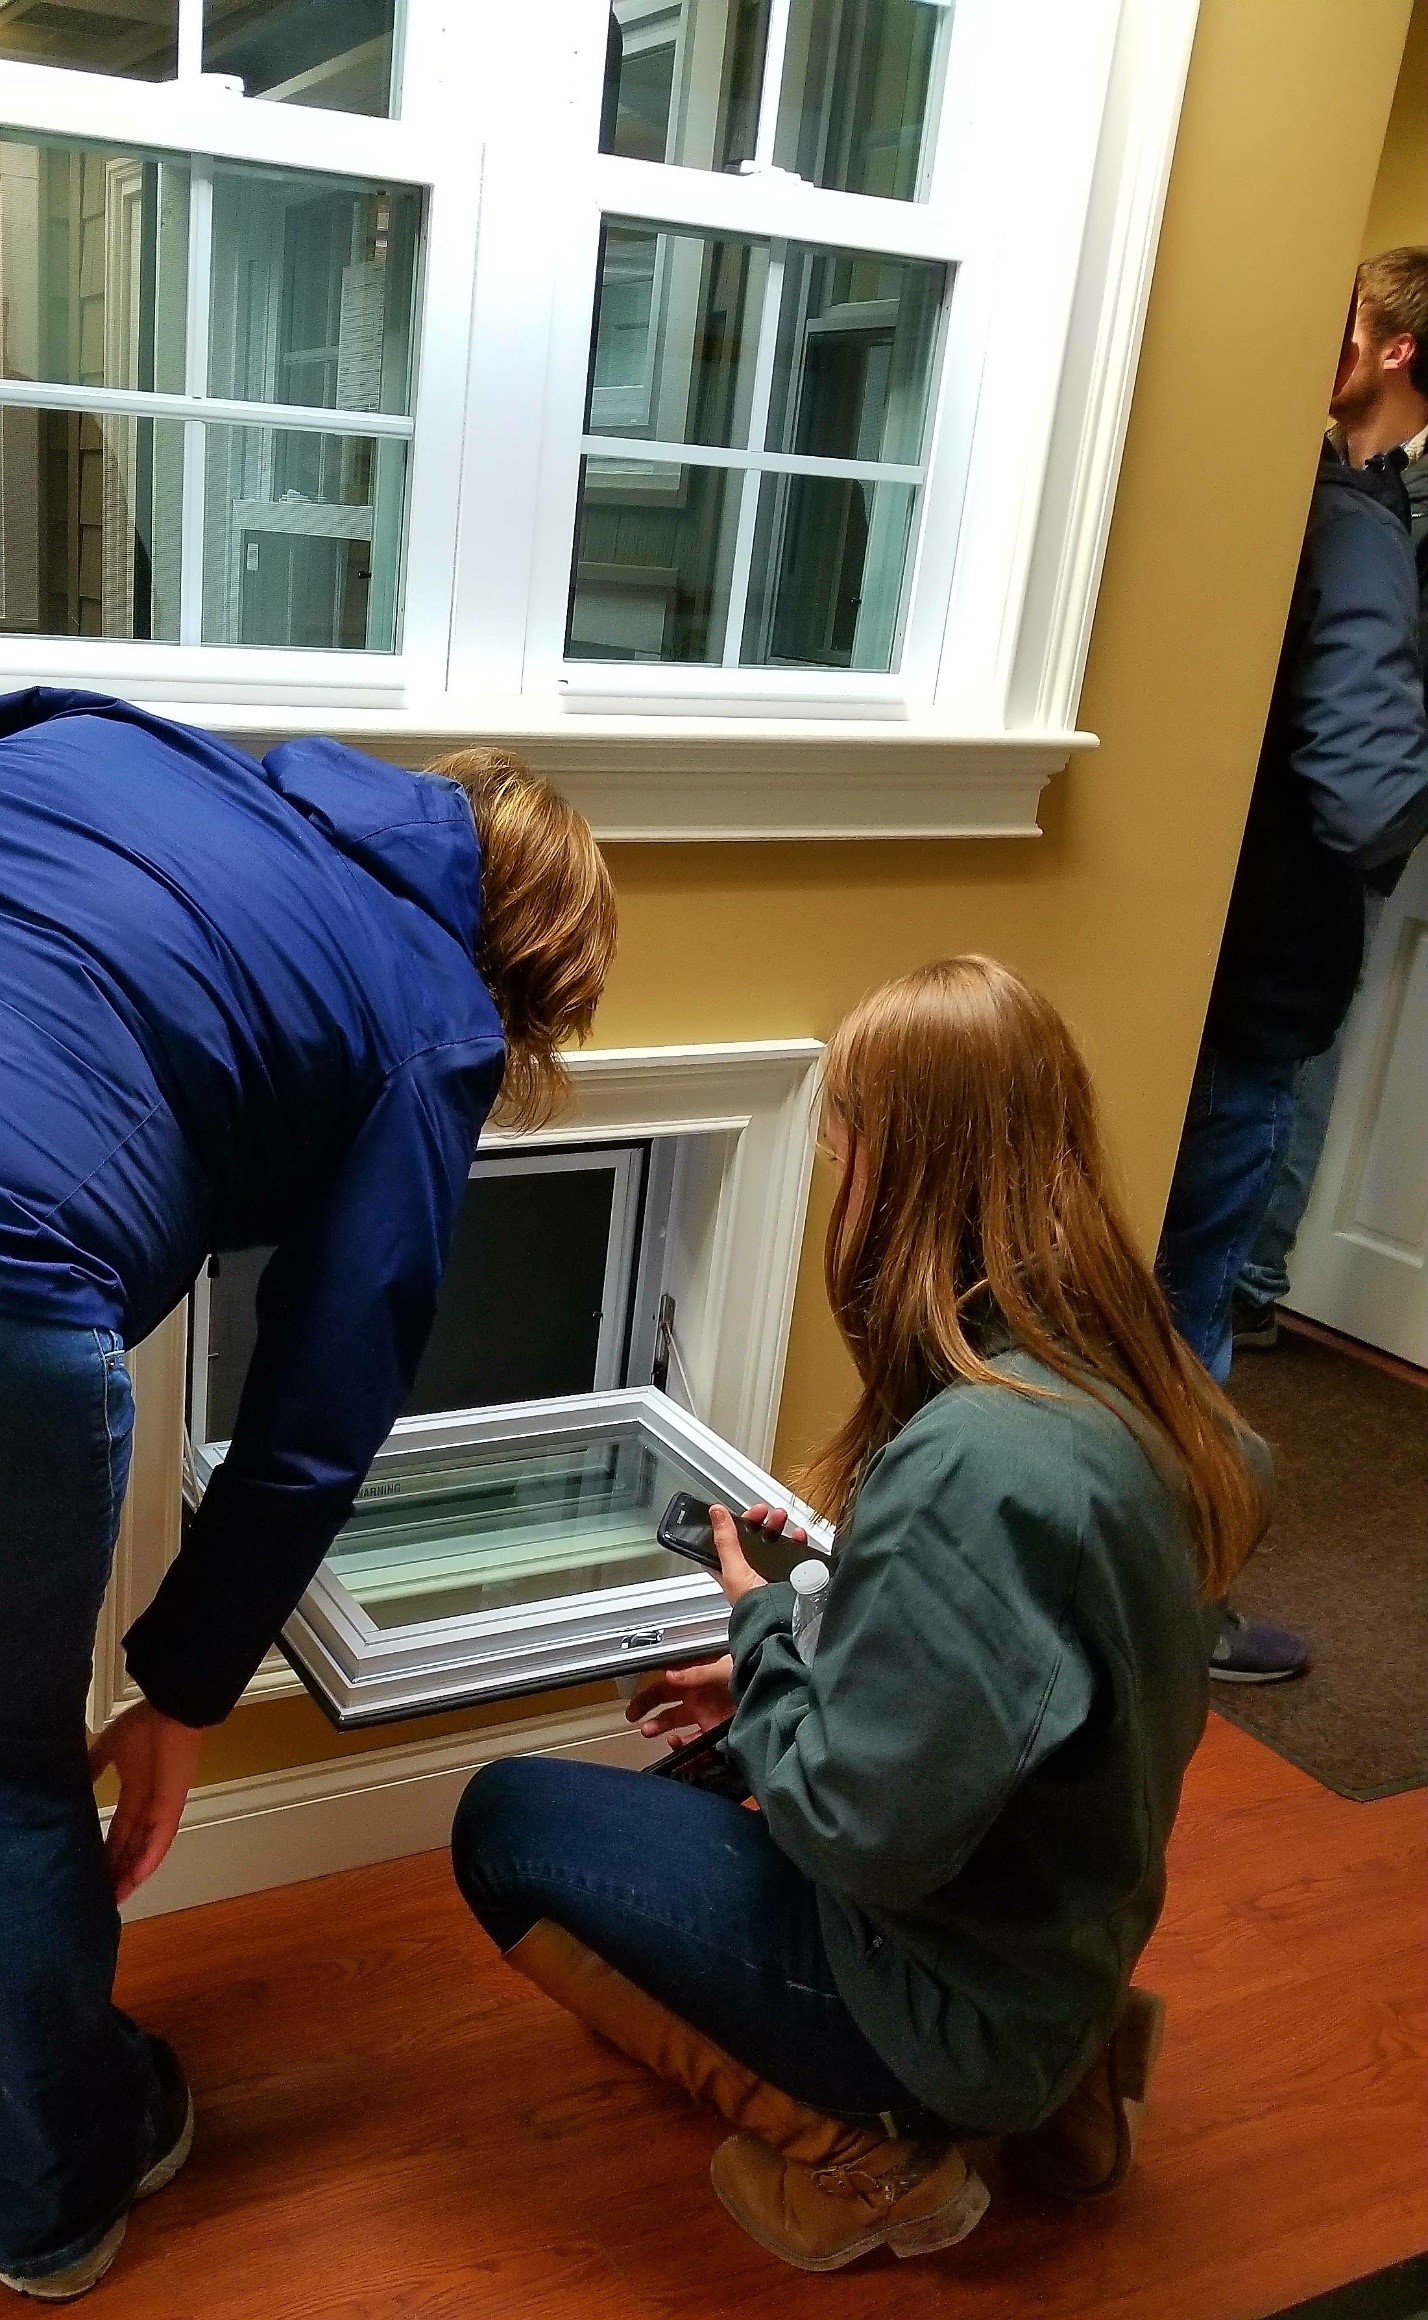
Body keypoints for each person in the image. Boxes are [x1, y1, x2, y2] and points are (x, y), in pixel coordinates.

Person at [451, 957, 1268, 2275]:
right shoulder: (1149, 1397)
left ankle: (873, 2160)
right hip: (1056, 1942)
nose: (834, 1172)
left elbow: (859, 1831)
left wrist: (762, 1629)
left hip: (948, 1986)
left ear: (893, 1167)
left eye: (838, 1144)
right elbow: (1025, 1696)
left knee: (508, 1825)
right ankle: (1065, 2080)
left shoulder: (980, 1460)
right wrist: (790, 1674)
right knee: (700, 1779)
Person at [0, 690, 616, 2301]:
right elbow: (322, 1410)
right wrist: (187, 1688)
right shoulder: (433, 1013)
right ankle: (55, 2194)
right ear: (521, 978)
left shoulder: (117, 741)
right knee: (9, 1777)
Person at [1158, 250, 1428, 1681]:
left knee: (1123, 1290)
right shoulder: (1356, 526)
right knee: (1185, 1309)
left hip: (1189, 963)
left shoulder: (1276, 502)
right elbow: (1372, 793)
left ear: (1380, 349)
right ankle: (1176, 1617)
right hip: (1258, 984)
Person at [1231, 257, 1428, 1354]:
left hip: (1345, 838)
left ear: (1391, 348)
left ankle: (1256, 1280)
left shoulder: (1393, 512)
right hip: (1269, 824)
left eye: (1345, 322)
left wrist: (1388, 810)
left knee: (1293, 1057)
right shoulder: (1305, 464)